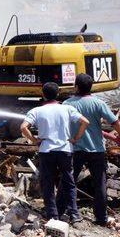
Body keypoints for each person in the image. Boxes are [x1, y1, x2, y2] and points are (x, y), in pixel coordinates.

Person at [21, 82, 89, 222]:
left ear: (43, 94)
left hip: (46, 151)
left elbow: (23, 127)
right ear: (58, 94)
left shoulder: (37, 111)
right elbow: (85, 122)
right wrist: (76, 138)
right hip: (65, 150)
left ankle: (52, 215)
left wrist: (34, 140)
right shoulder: (67, 109)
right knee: (69, 183)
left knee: (48, 183)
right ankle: (74, 214)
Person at [64, 73, 120, 226]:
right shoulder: (98, 103)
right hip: (97, 150)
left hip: (75, 149)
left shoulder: (67, 104)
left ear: (76, 86)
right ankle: (101, 218)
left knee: (69, 182)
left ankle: (68, 212)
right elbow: (115, 122)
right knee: (100, 184)